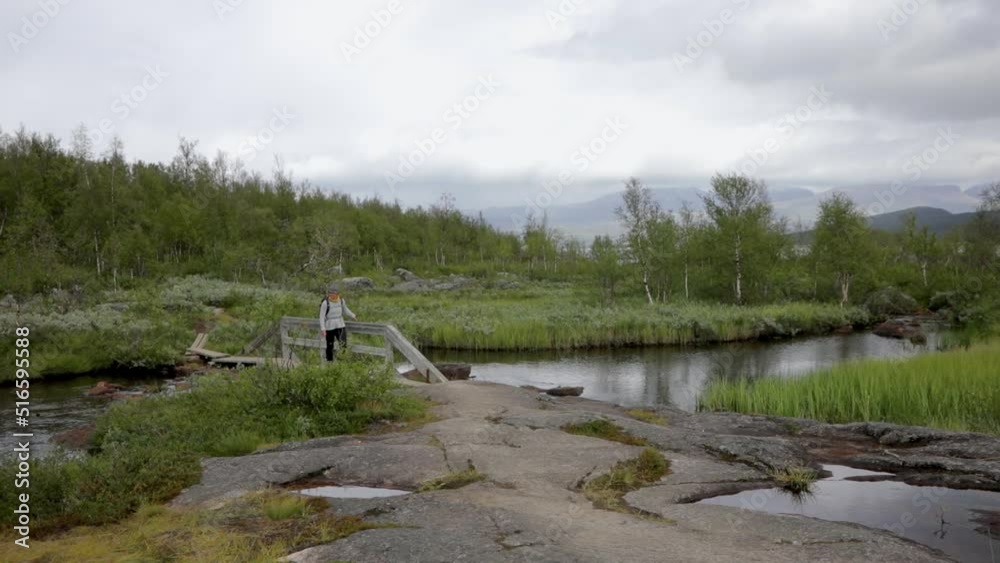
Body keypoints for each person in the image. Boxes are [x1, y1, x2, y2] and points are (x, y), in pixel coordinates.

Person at [319, 284, 357, 361]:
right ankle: (329, 362)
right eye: (330, 293)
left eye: (333, 293)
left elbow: (345, 310)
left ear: (337, 293)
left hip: (340, 324)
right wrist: (323, 329)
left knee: (343, 344)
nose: (331, 294)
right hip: (329, 326)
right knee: (330, 345)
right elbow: (322, 317)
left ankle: (343, 361)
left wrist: (353, 316)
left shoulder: (341, 300)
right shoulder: (325, 303)